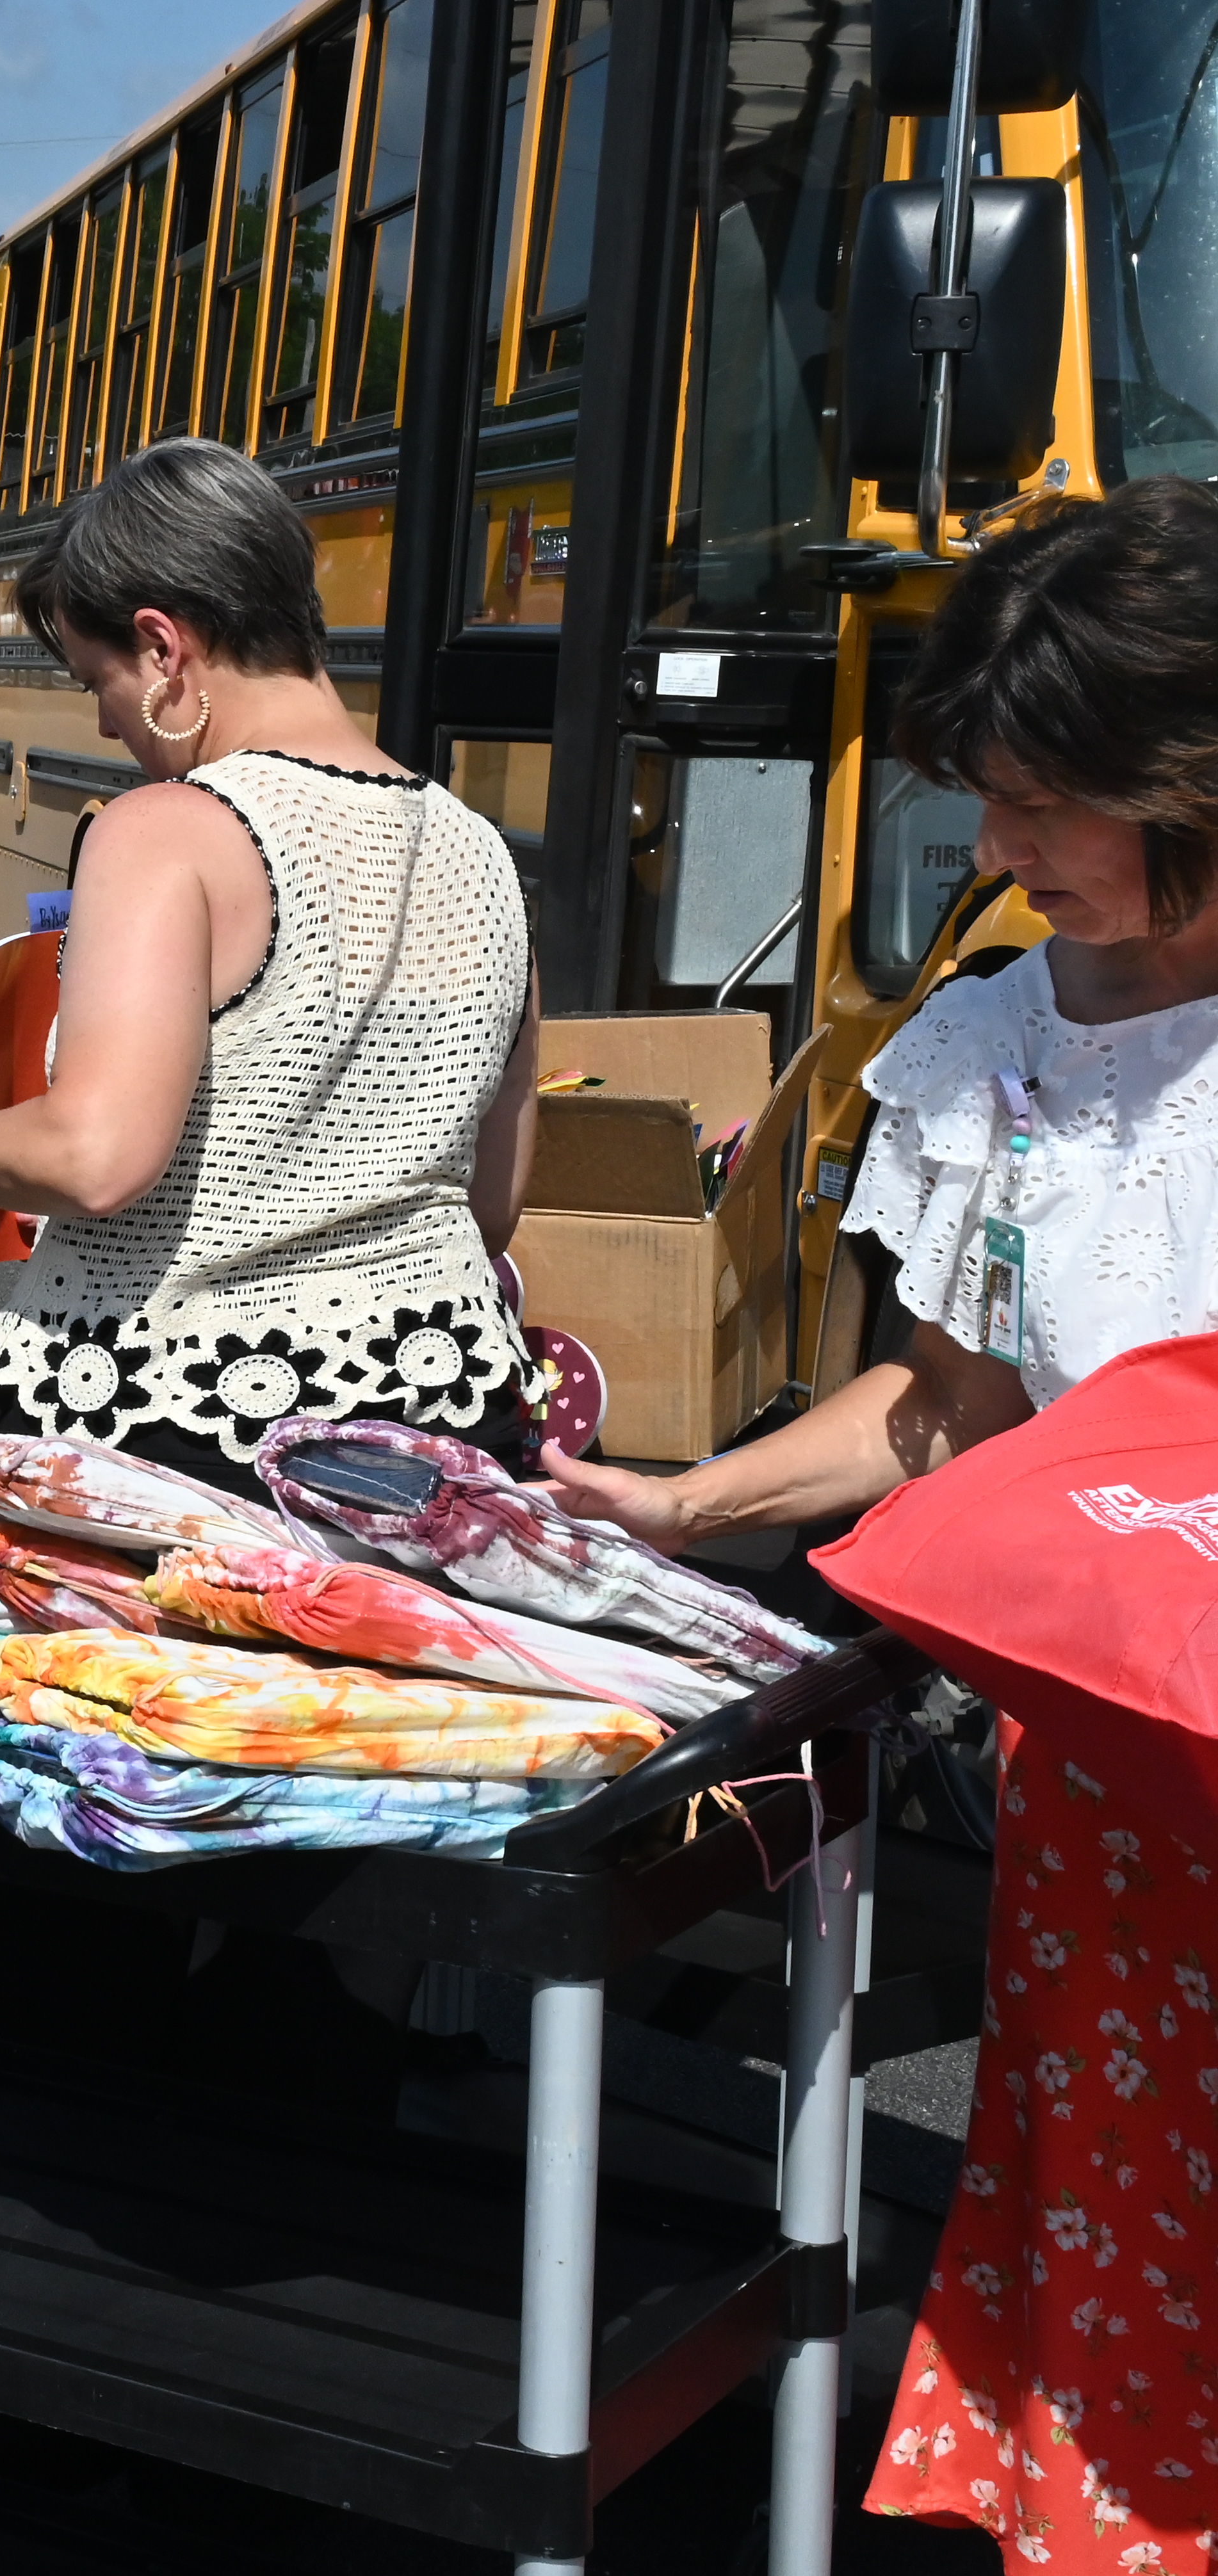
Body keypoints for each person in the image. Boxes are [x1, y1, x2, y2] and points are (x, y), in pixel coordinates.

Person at [533, 478, 1218, 2573]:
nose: (994, 848)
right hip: (1113, 1781)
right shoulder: (997, 1044)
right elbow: (947, 1406)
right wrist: (679, 1501)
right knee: (1133, 2236)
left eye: (1039, 801)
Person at [0, 435, 544, 1497]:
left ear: (165, 647)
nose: (102, 720)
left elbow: (97, 1158)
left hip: (190, 1430)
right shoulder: (481, 850)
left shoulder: (171, 828)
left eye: (100, 679)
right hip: (440, 1431)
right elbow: (488, 1204)